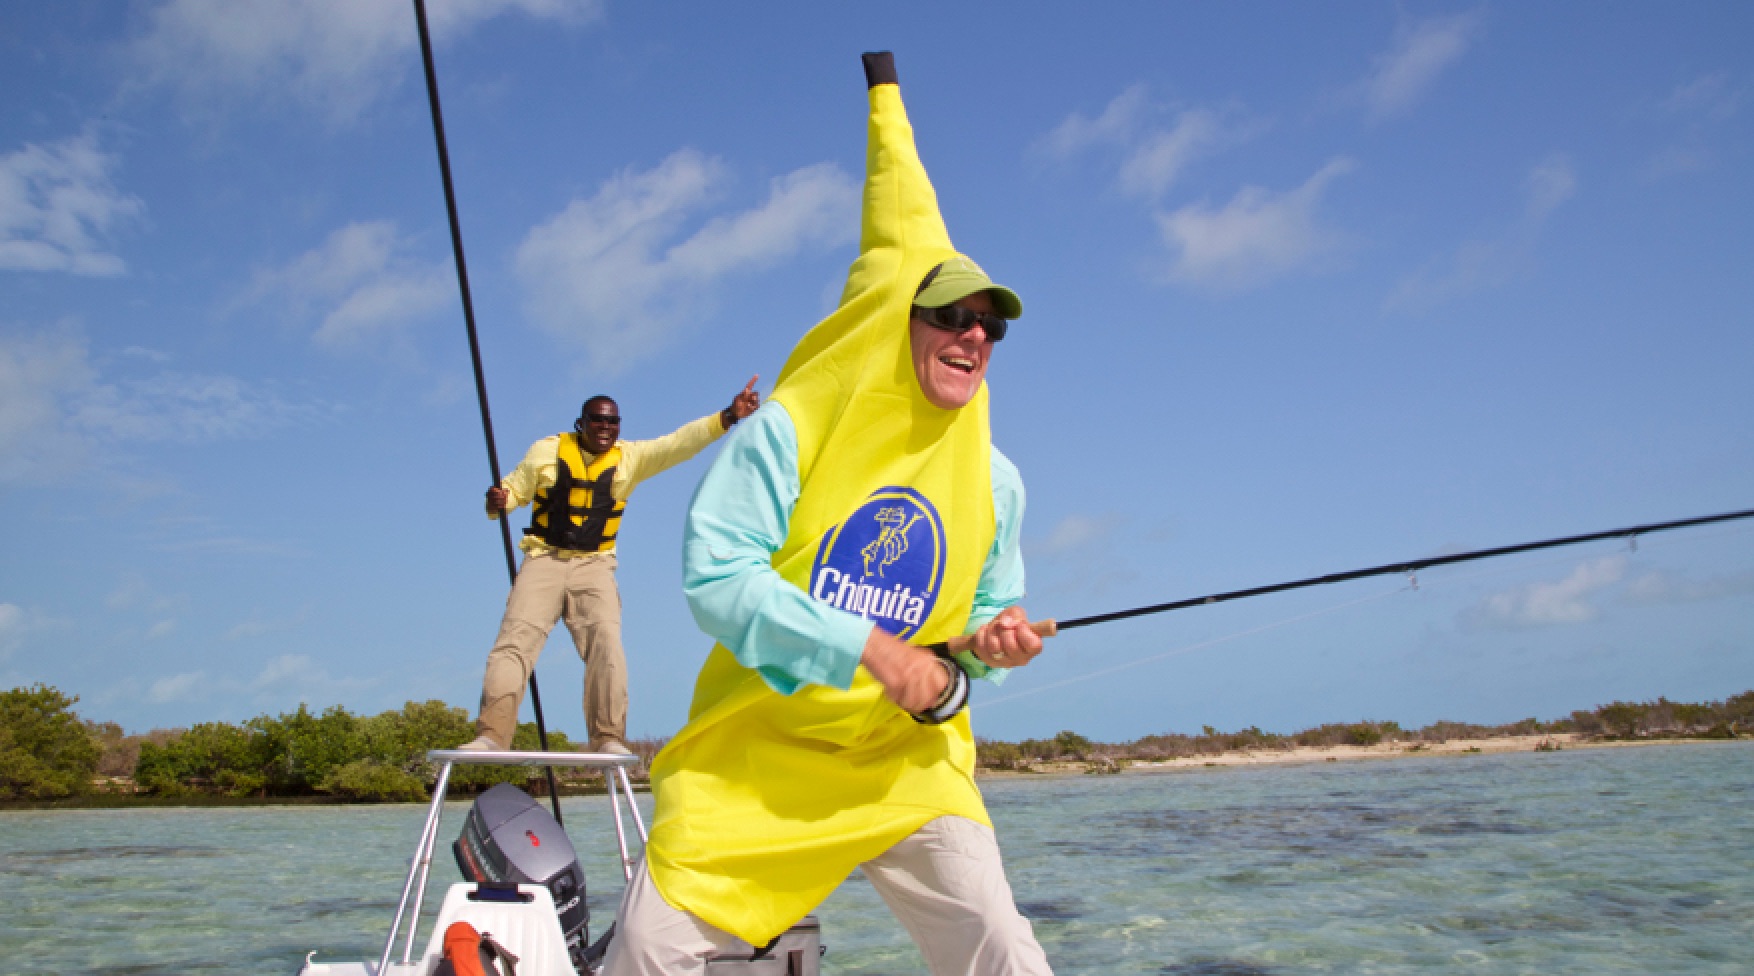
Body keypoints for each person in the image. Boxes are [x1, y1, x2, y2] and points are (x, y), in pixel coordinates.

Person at [602, 53, 1053, 975]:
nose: (973, 335)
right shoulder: (788, 430)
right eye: (949, 315)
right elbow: (718, 579)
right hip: (760, 757)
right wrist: (870, 646)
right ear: (895, 326)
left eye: (989, 324)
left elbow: (981, 620)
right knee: (646, 949)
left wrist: (996, 643)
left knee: (1003, 947)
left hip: (903, 765)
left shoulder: (999, 480)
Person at [462, 379, 762, 755]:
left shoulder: (629, 458)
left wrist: (730, 415)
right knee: (514, 644)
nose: (605, 428)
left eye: (612, 422)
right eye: (597, 421)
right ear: (581, 423)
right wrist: (497, 501)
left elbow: (677, 444)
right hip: (544, 559)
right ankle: (491, 735)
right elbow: (510, 495)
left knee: (607, 646)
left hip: (595, 566)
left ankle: (608, 738)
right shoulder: (546, 451)